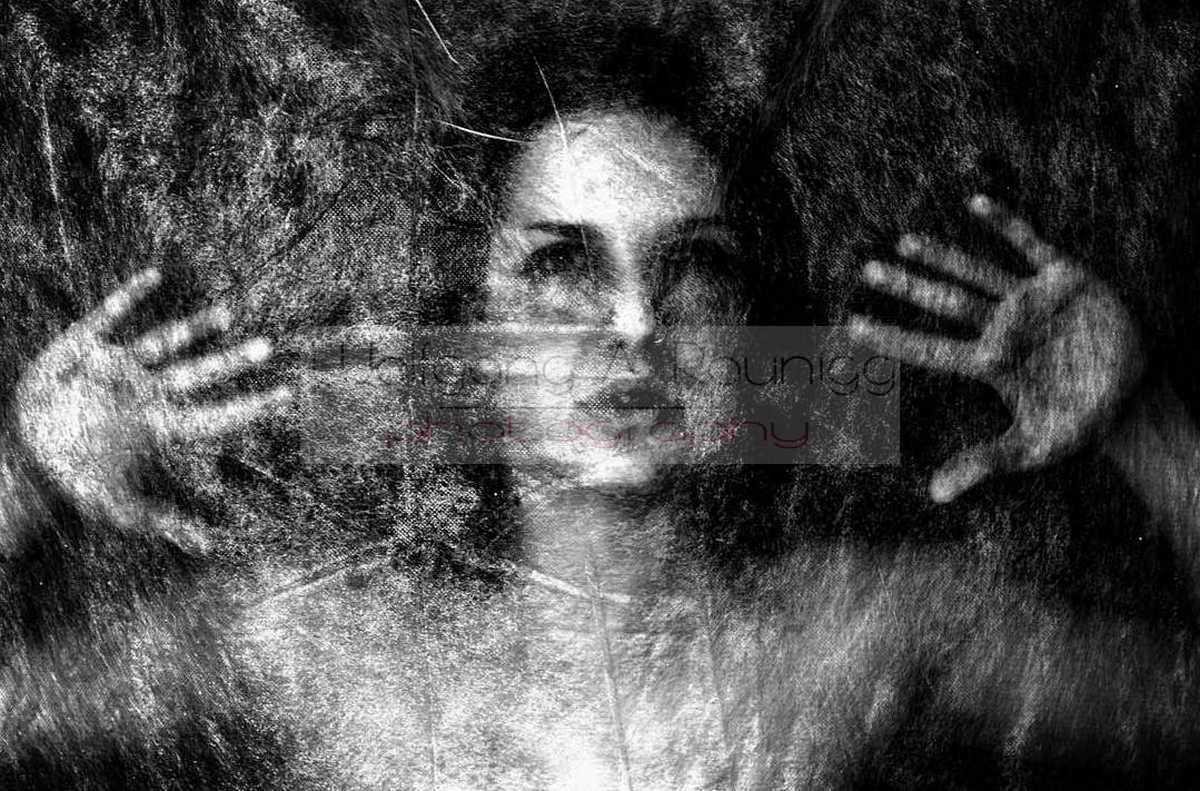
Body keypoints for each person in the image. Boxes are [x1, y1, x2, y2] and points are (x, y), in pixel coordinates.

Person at [4, 21, 1200, 791]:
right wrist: (27, 475)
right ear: (467, 322)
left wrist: (1145, 423)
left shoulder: (872, 631)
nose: (635, 323)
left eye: (695, 267)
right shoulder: (312, 646)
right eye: (564, 266)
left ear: (751, 326)